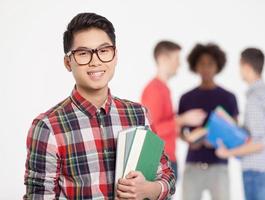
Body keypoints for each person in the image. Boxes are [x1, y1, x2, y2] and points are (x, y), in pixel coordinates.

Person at [24, 13, 175, 199]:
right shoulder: (48, 127)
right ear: (67, 62)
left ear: (115, 55)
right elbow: (39, 196)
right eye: (83, 53)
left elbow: (166, 175)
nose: (95, 61)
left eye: (104, 51)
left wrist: (149, 189)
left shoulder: (138, 114)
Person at [216, 48, 265, 200]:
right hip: (264, 170)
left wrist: (227, 153)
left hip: (257, 171)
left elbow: (259, 143)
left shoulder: (256, 97)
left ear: (246, 67)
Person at [179, 43, 239, 200]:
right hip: (193, 165)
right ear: (195, 66)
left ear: (217, 66)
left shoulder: (228, 97)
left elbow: (235, 131)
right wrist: (189, 140)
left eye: (210, 64)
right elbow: (180, 130)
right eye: (202, 64)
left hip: (219, 166)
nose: (206, 68)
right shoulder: (186, 98)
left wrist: (218, 141)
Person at [141, 41, 206, 180]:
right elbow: (152, 130)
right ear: (162, 59)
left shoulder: (164, 89)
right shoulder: (154, 90)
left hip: (166, 159)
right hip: (157, 162)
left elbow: (166, 127)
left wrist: (186, 134)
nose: (179, 64)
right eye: (176, 59)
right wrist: (183, 119)